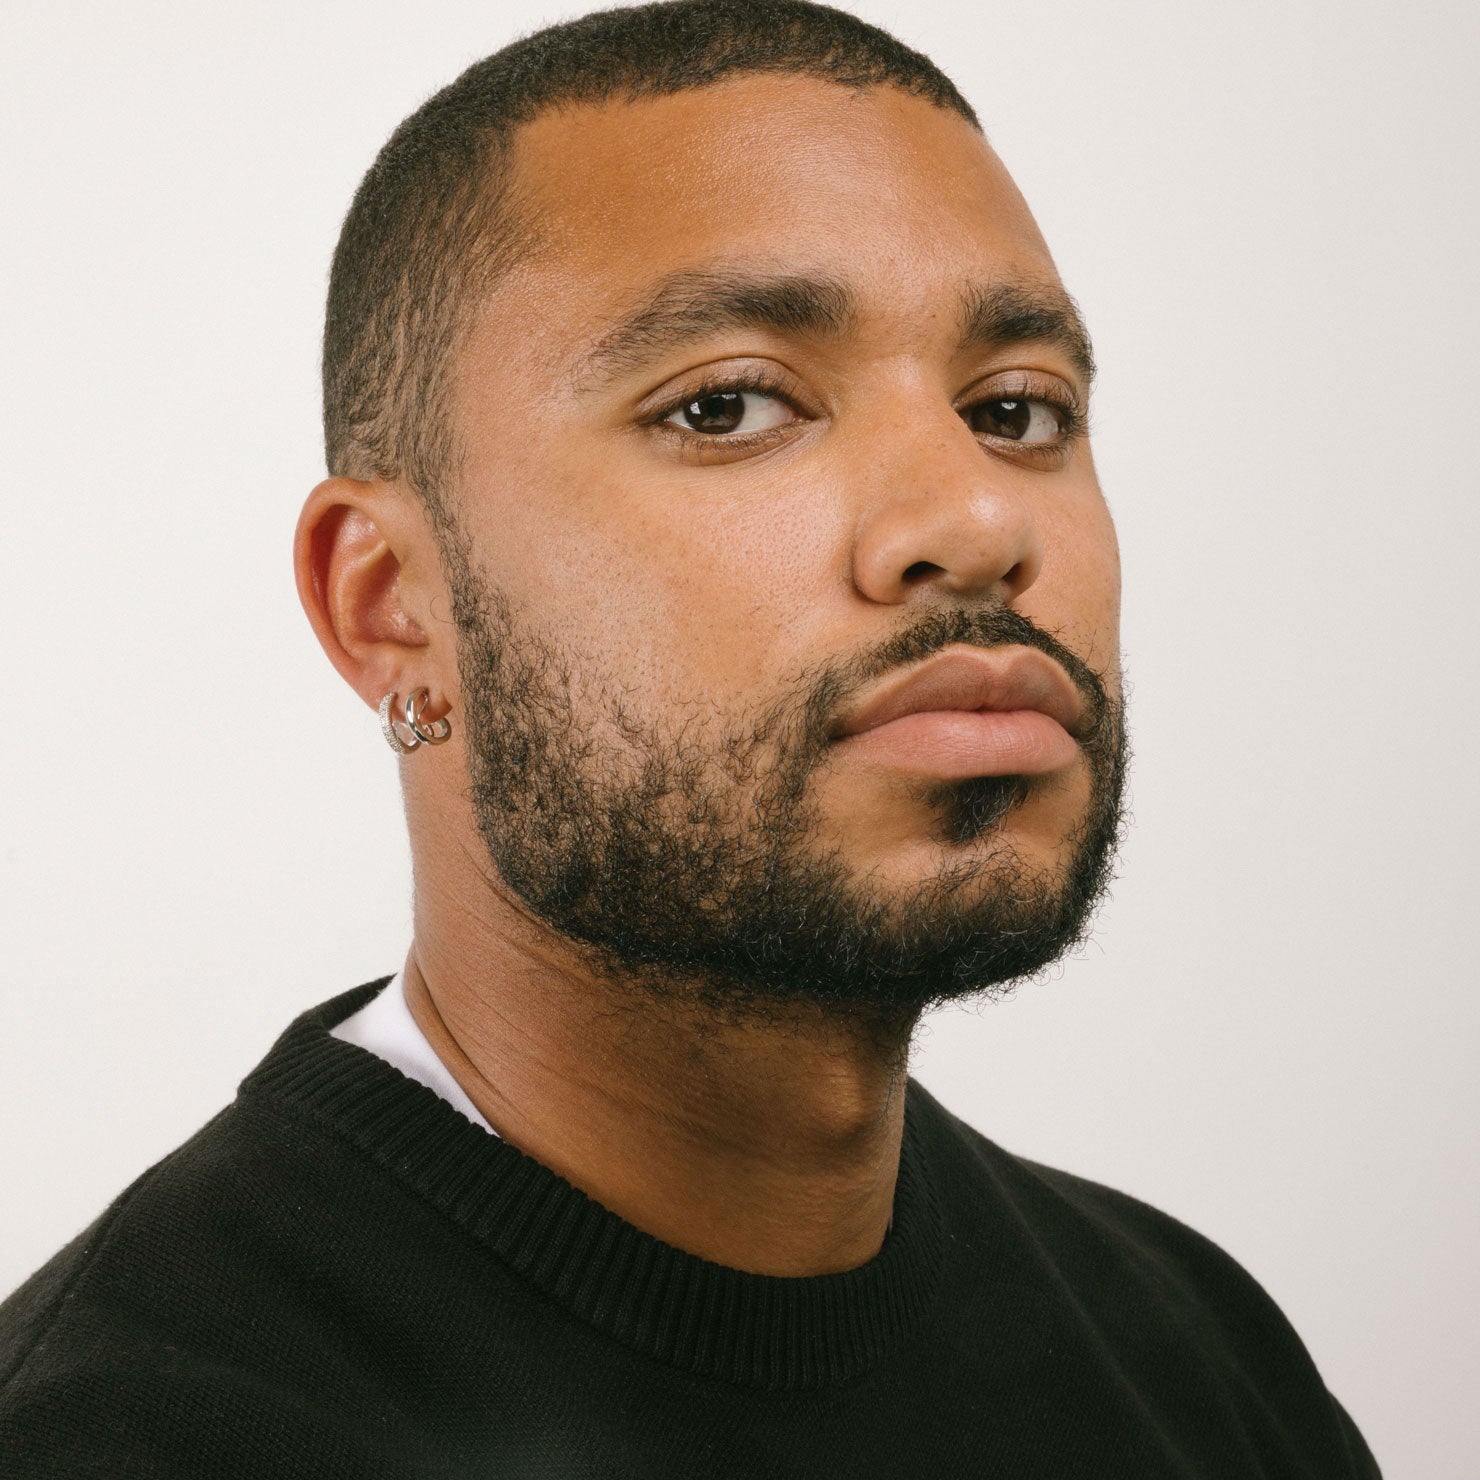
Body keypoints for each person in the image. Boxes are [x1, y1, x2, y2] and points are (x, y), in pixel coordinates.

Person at [0, 2, 1380, 1474]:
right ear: (393, 605)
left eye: (1019, 410)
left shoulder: (1196, 1358)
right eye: (728, 406)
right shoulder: (122, 1432)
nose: (978, 516)